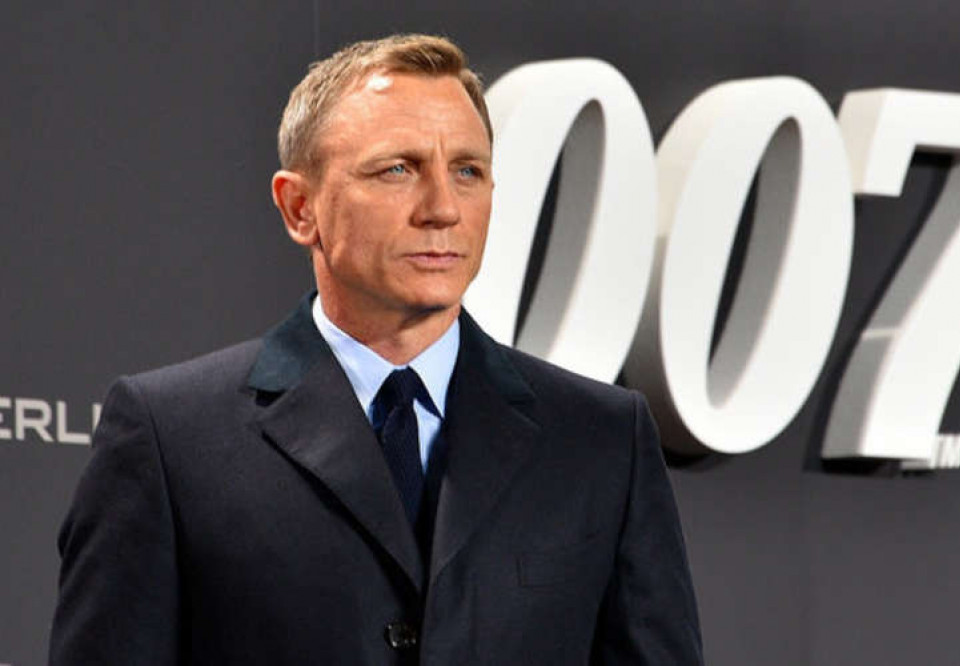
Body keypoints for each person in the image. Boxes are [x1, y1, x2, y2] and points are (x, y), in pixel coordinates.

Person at [49, 34, 703, 665]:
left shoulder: (602, 439)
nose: (443, 208)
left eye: (468, 171)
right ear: (299, 207)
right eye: (398, 169)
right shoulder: (170, 437)